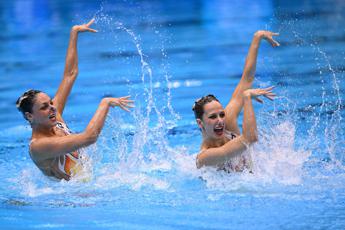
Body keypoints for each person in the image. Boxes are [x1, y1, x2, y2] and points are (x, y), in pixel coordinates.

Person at [16, 19, 133, 181]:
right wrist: (105, 102)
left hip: (87, 185)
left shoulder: (53, 117)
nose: (53, 108)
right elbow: (89, 137)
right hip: (71, 199)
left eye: (51, 103)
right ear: (30, 116)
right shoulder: (38, 146)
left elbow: (70, 74)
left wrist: (74, 33)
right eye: (44, 107)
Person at [193, 30, 279, 172]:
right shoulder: (205, 157)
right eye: (213, 117)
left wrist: (257, 37)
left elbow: (247, 78)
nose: (220, 120)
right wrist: (247, 98)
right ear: (200, 123)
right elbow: (250, 138)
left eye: (221, 114)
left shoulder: (228, 122)